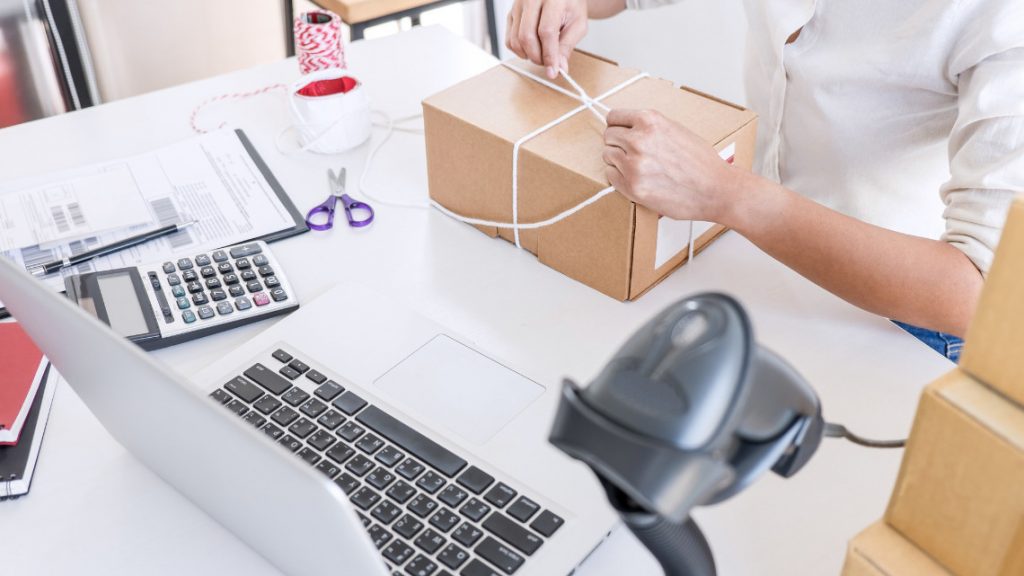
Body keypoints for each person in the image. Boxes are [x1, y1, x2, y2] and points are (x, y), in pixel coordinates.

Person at [504, 0, 1024, 362]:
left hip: (895, 316)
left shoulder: (1000, 18)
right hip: (749, 251)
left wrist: (725, 194)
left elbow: (979, 296)